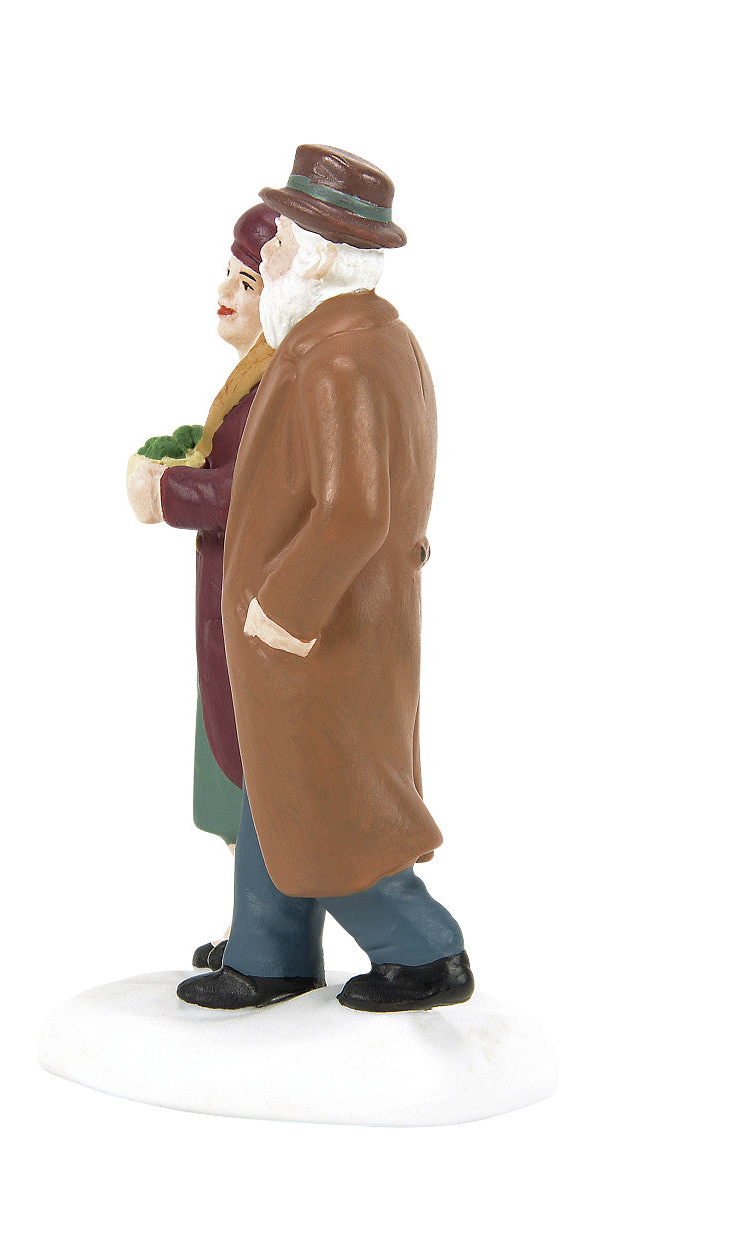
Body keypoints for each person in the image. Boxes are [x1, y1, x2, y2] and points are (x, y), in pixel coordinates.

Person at [177, 145, 473, 1014]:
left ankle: (422, 951)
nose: (266, 258)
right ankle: (268, 953)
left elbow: (355, 510)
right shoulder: (347, 340)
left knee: (329, 802)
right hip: (315, 628)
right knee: (278, 787)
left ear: (314, 257)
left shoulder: (340, 357)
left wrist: (284, 609)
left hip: (322, 628)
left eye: (277, 246)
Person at [125, 203, 279, 969]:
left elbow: (253, 489)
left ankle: (266, 941)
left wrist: (165, 491)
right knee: (229, 772)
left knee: (253, 777)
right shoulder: (255, 377)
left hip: (256, 613)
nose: (225, 292)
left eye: (246, 282)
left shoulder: (281, 382)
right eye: (227, 275)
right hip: (229, 611)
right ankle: (256, 933)